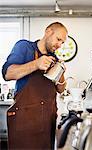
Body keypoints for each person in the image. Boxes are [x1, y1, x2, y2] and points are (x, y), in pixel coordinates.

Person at [2, 22, 68, 150]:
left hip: (47, 124)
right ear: (48, 31)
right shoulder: (24, 47)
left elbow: (61, 89)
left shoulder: (53, 58)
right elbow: (8, 73)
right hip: (25, 124)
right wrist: (36, 64)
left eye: (62, 43)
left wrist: (61, 73)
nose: (59, 45)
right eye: (58, 39)